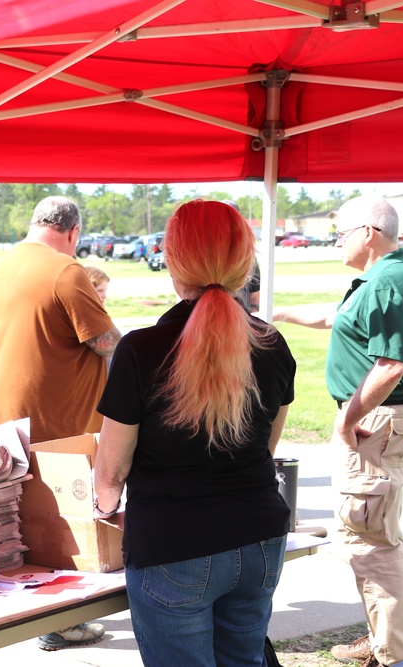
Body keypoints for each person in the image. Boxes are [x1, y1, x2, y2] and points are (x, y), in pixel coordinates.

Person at [93, 199, 296, 667]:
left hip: (174, 546)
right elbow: (265, 446)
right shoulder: (271, 342)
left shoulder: (141, 350)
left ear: (172, 260)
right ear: (245, 260)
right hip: (260, 537)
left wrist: (104, 512)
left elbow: (111, 472)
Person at [273, 196, 403, 667]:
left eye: (340, 232)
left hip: (373, 425)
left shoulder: (387, 283)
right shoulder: (378, 280)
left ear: (369, 233)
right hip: (378, 422)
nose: (334, 239)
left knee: (371, 540)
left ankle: (394, 654)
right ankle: (382, 637)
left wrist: (346, 420)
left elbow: (391, 365)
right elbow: (333, 319)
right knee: (371, 532)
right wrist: (275, 312)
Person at [0, 195, 120, 651]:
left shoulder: (2, 265)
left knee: (17, 523)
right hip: (52, 419)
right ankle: (59, 622)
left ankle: (33, 614)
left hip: (1, 411)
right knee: (58, 526)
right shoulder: (66, 270)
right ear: (73, 232)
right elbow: (102, 341)